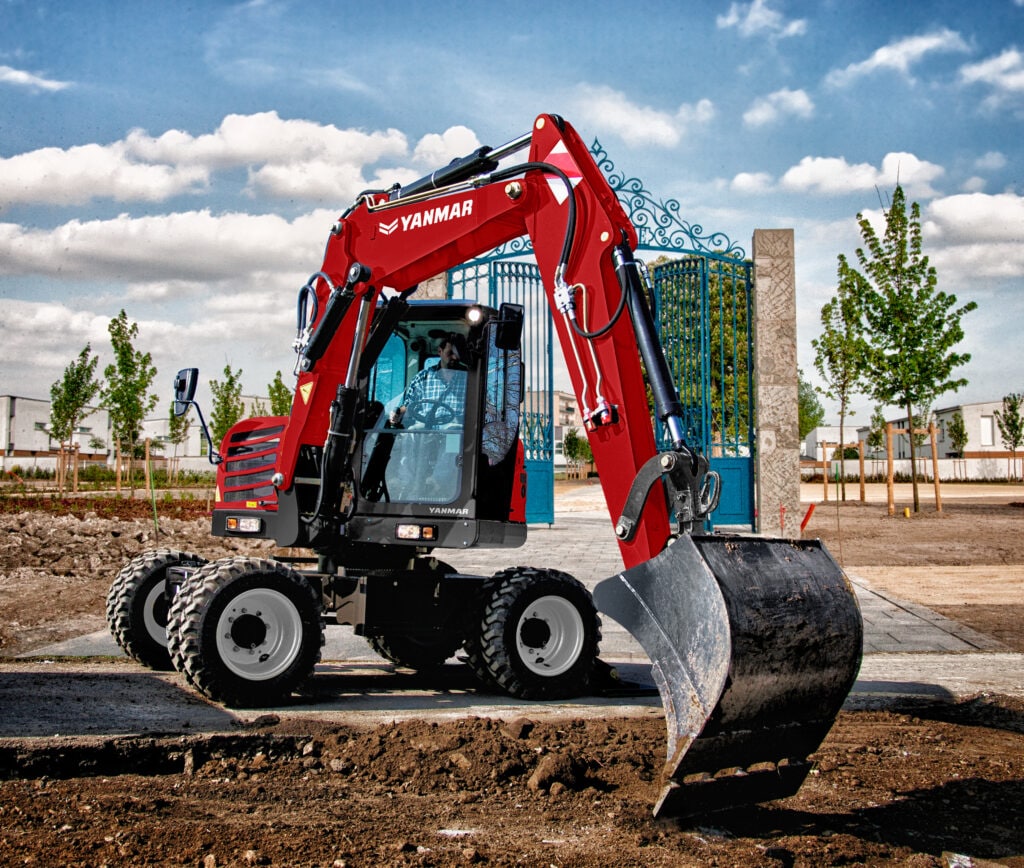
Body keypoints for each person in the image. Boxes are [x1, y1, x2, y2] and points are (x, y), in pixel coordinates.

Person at [390, 334, 468, 428]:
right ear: (440, 351)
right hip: (425, 429)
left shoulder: (468, 379)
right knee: (413, 430)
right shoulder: (423, 377)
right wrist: (397, 413)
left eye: (457, 354)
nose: (454, 358)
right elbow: (408, 406)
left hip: (455, 431)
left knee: (454, 428)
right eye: (450, 353)